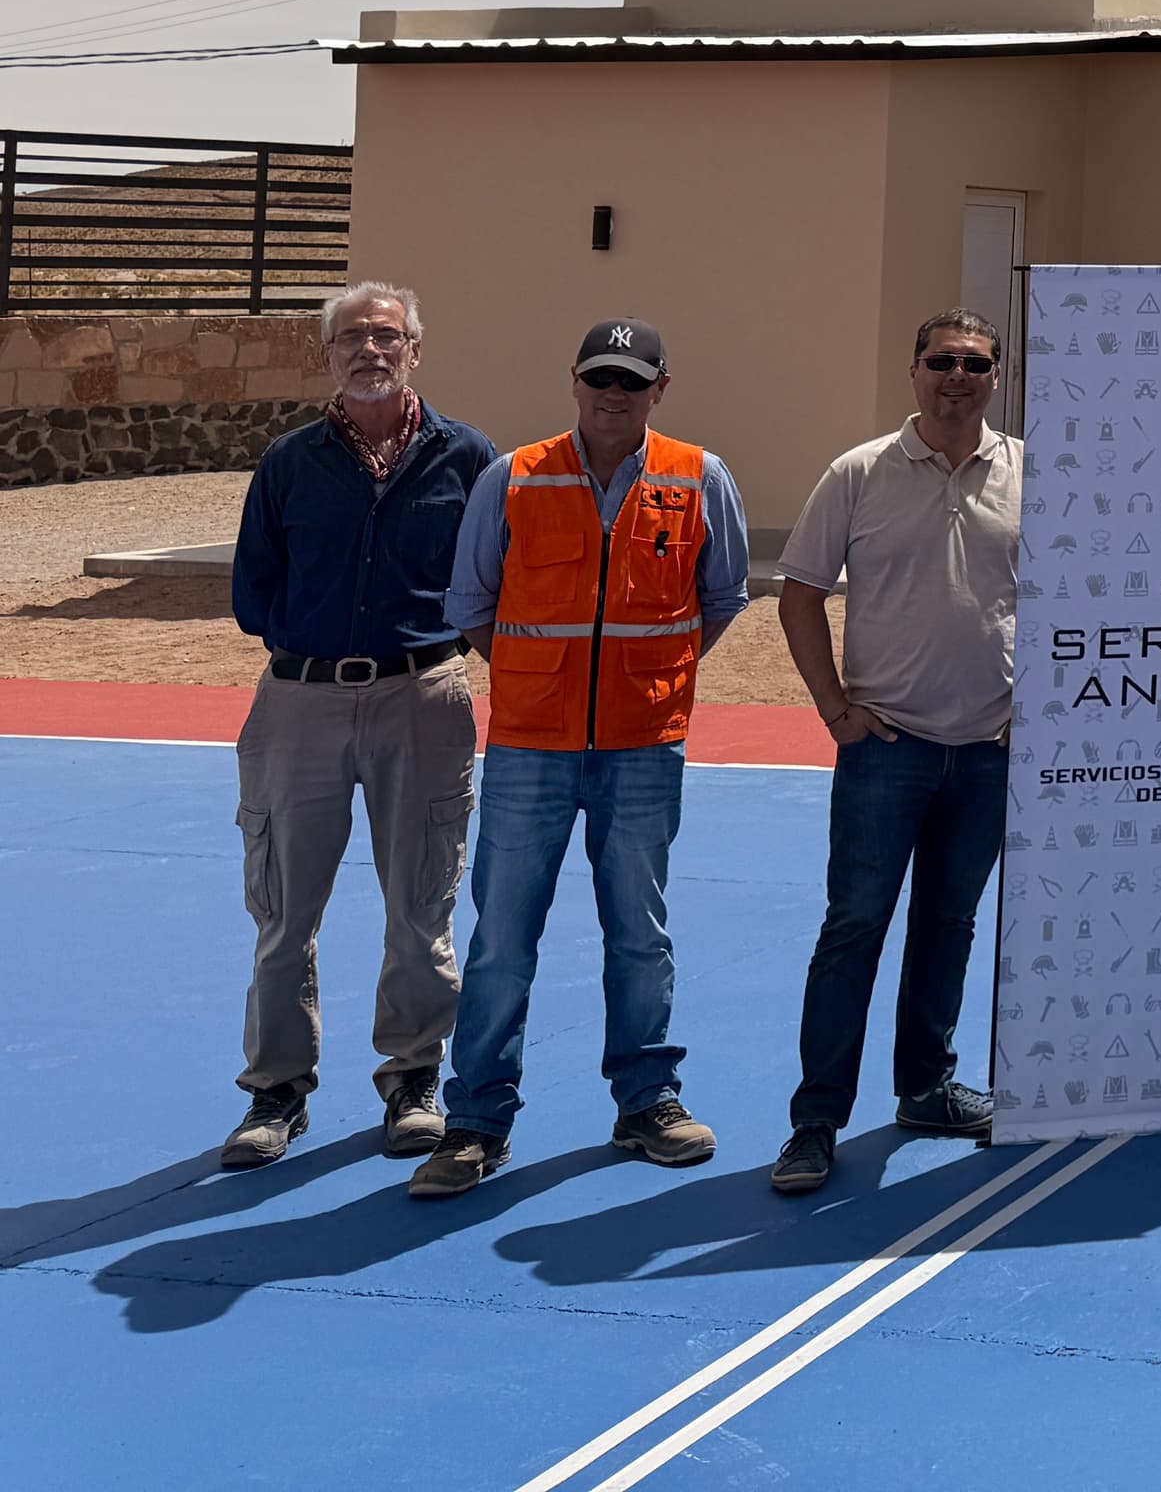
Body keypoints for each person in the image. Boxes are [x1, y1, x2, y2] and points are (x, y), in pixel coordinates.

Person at [410, 320, 749, 1197]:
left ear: (660, 390)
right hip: (531, 746)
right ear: (574, 381)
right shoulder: (513, 476)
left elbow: (721, 599)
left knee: (640, 934)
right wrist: (542, 679)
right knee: (502, 939)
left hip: (643, 747)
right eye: (600, 377)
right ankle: (477, 1120)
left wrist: (645, 681)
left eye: (631, 382)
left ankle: (647, 1101)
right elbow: (470, 601)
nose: (613, 394)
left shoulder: (700, 477)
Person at [218, 282, 499, 1171]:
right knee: (282, 910)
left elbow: (493, 577)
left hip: (423, 697)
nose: (369, 351)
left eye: (387, 336)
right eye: (352, 338)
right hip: (300, 699)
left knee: (421, 905)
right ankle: (277, 1091)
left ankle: (413, 1077)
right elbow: (253, 590)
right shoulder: (290, 462)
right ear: (328, 355)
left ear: (415, 349)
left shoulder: (469, 459)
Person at [767, 309, 1025, 1196]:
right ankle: (815, 1120)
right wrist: (835, 710)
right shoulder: (859, 472)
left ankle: (926, 1087)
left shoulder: (1032, 473)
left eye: (976, 364)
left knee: (950, 926)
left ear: (997, 375)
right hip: (887, 748)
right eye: (943, 361)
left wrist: (1036, 711)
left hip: (989, 751)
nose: (959, 376)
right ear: (914, 371)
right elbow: (797, 596)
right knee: (854, 930)